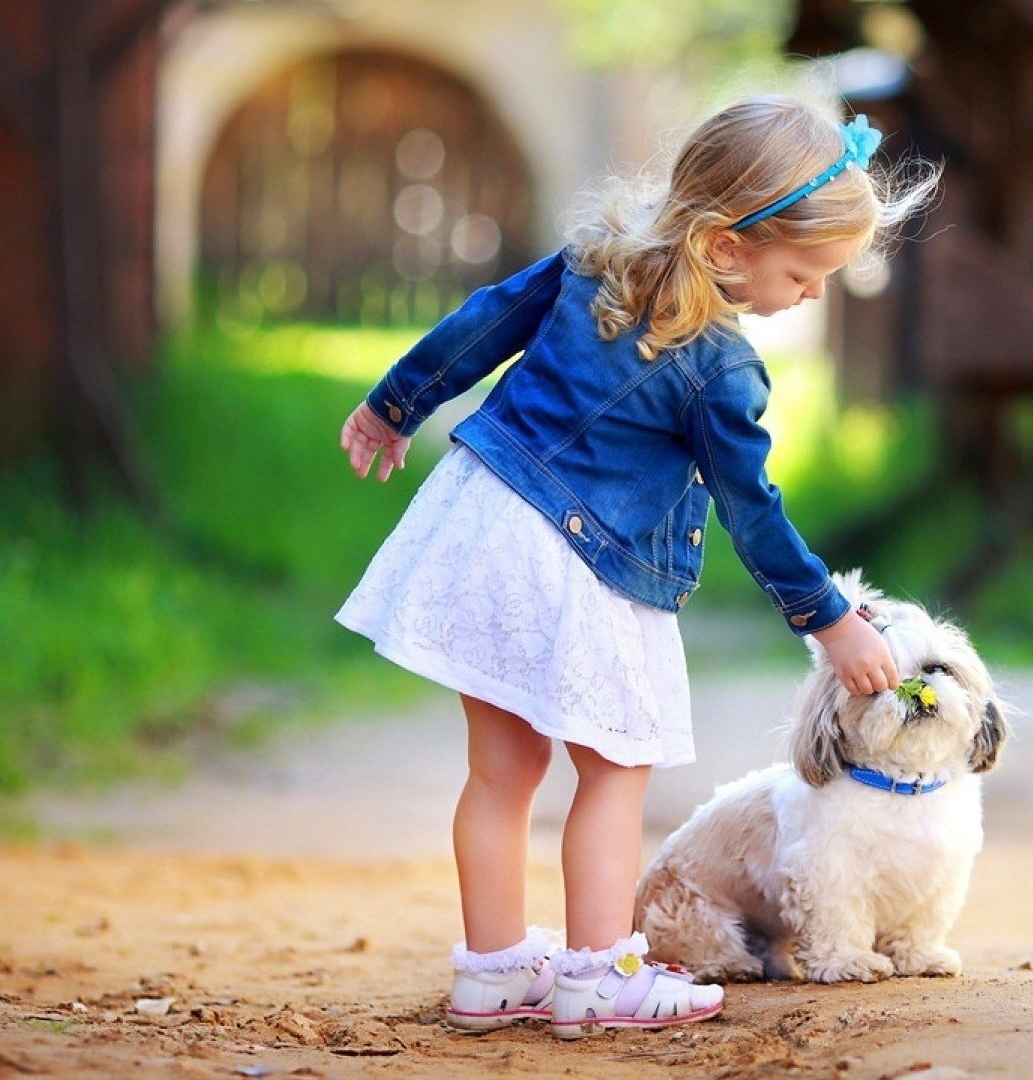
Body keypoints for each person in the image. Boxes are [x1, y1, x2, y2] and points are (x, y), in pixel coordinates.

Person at [335, 95, 935, 1038]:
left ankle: (493, 971)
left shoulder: (591, 262)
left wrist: (392, 405)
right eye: (807, 272)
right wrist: (830, 617)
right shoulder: (720, 371)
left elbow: (481, 323)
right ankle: (599, 975)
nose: (815, 293)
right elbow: (751, 511)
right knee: (616, 768)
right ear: (731, 248)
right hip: (574, 559)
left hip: (480, 523)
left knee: (502, 769)